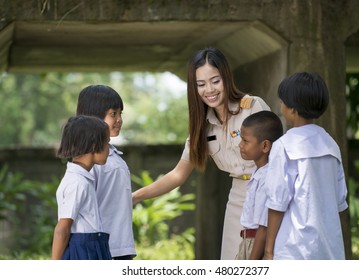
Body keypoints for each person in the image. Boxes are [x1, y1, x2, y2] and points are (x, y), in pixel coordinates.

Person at [132, 47, 271, 260]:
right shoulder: (202, 126)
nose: (209, 90)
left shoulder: (252, 107)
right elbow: (178, 174)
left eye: (215, 81)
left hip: (268, 194)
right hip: (238, 198)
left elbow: (278, 158)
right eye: (201, 84)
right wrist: (135, 197)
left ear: (226, 77)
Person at [263, 72, 349, 260]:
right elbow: (340, 201)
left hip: (293, 250)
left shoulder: (283, 146)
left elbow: (277, 203)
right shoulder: (331, 145)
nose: (281, 106)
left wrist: (268, 251)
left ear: (292, 109)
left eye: (283, 101)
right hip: (329, 250)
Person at [76, 85, 136, 260]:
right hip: (103, 250)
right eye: (113, 114)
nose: (119, 119)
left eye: (120, 114)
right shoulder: (89, 160)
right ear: (93, 116)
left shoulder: (113, 155)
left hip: (120, 247)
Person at [51, 115, 111, 260]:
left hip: (93, 246)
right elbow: (62, 228)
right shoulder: (77, 182)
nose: (109, 149)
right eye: (107, 143)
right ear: (93, 146)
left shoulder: (83, 179)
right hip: (84, 251)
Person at [235, 111, 283, 260]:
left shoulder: (268, 177)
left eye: (245, 141)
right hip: (247, 241)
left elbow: (263, 228)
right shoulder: (259, 172)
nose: (240, 145)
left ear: (265, 146)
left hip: (256, 244)